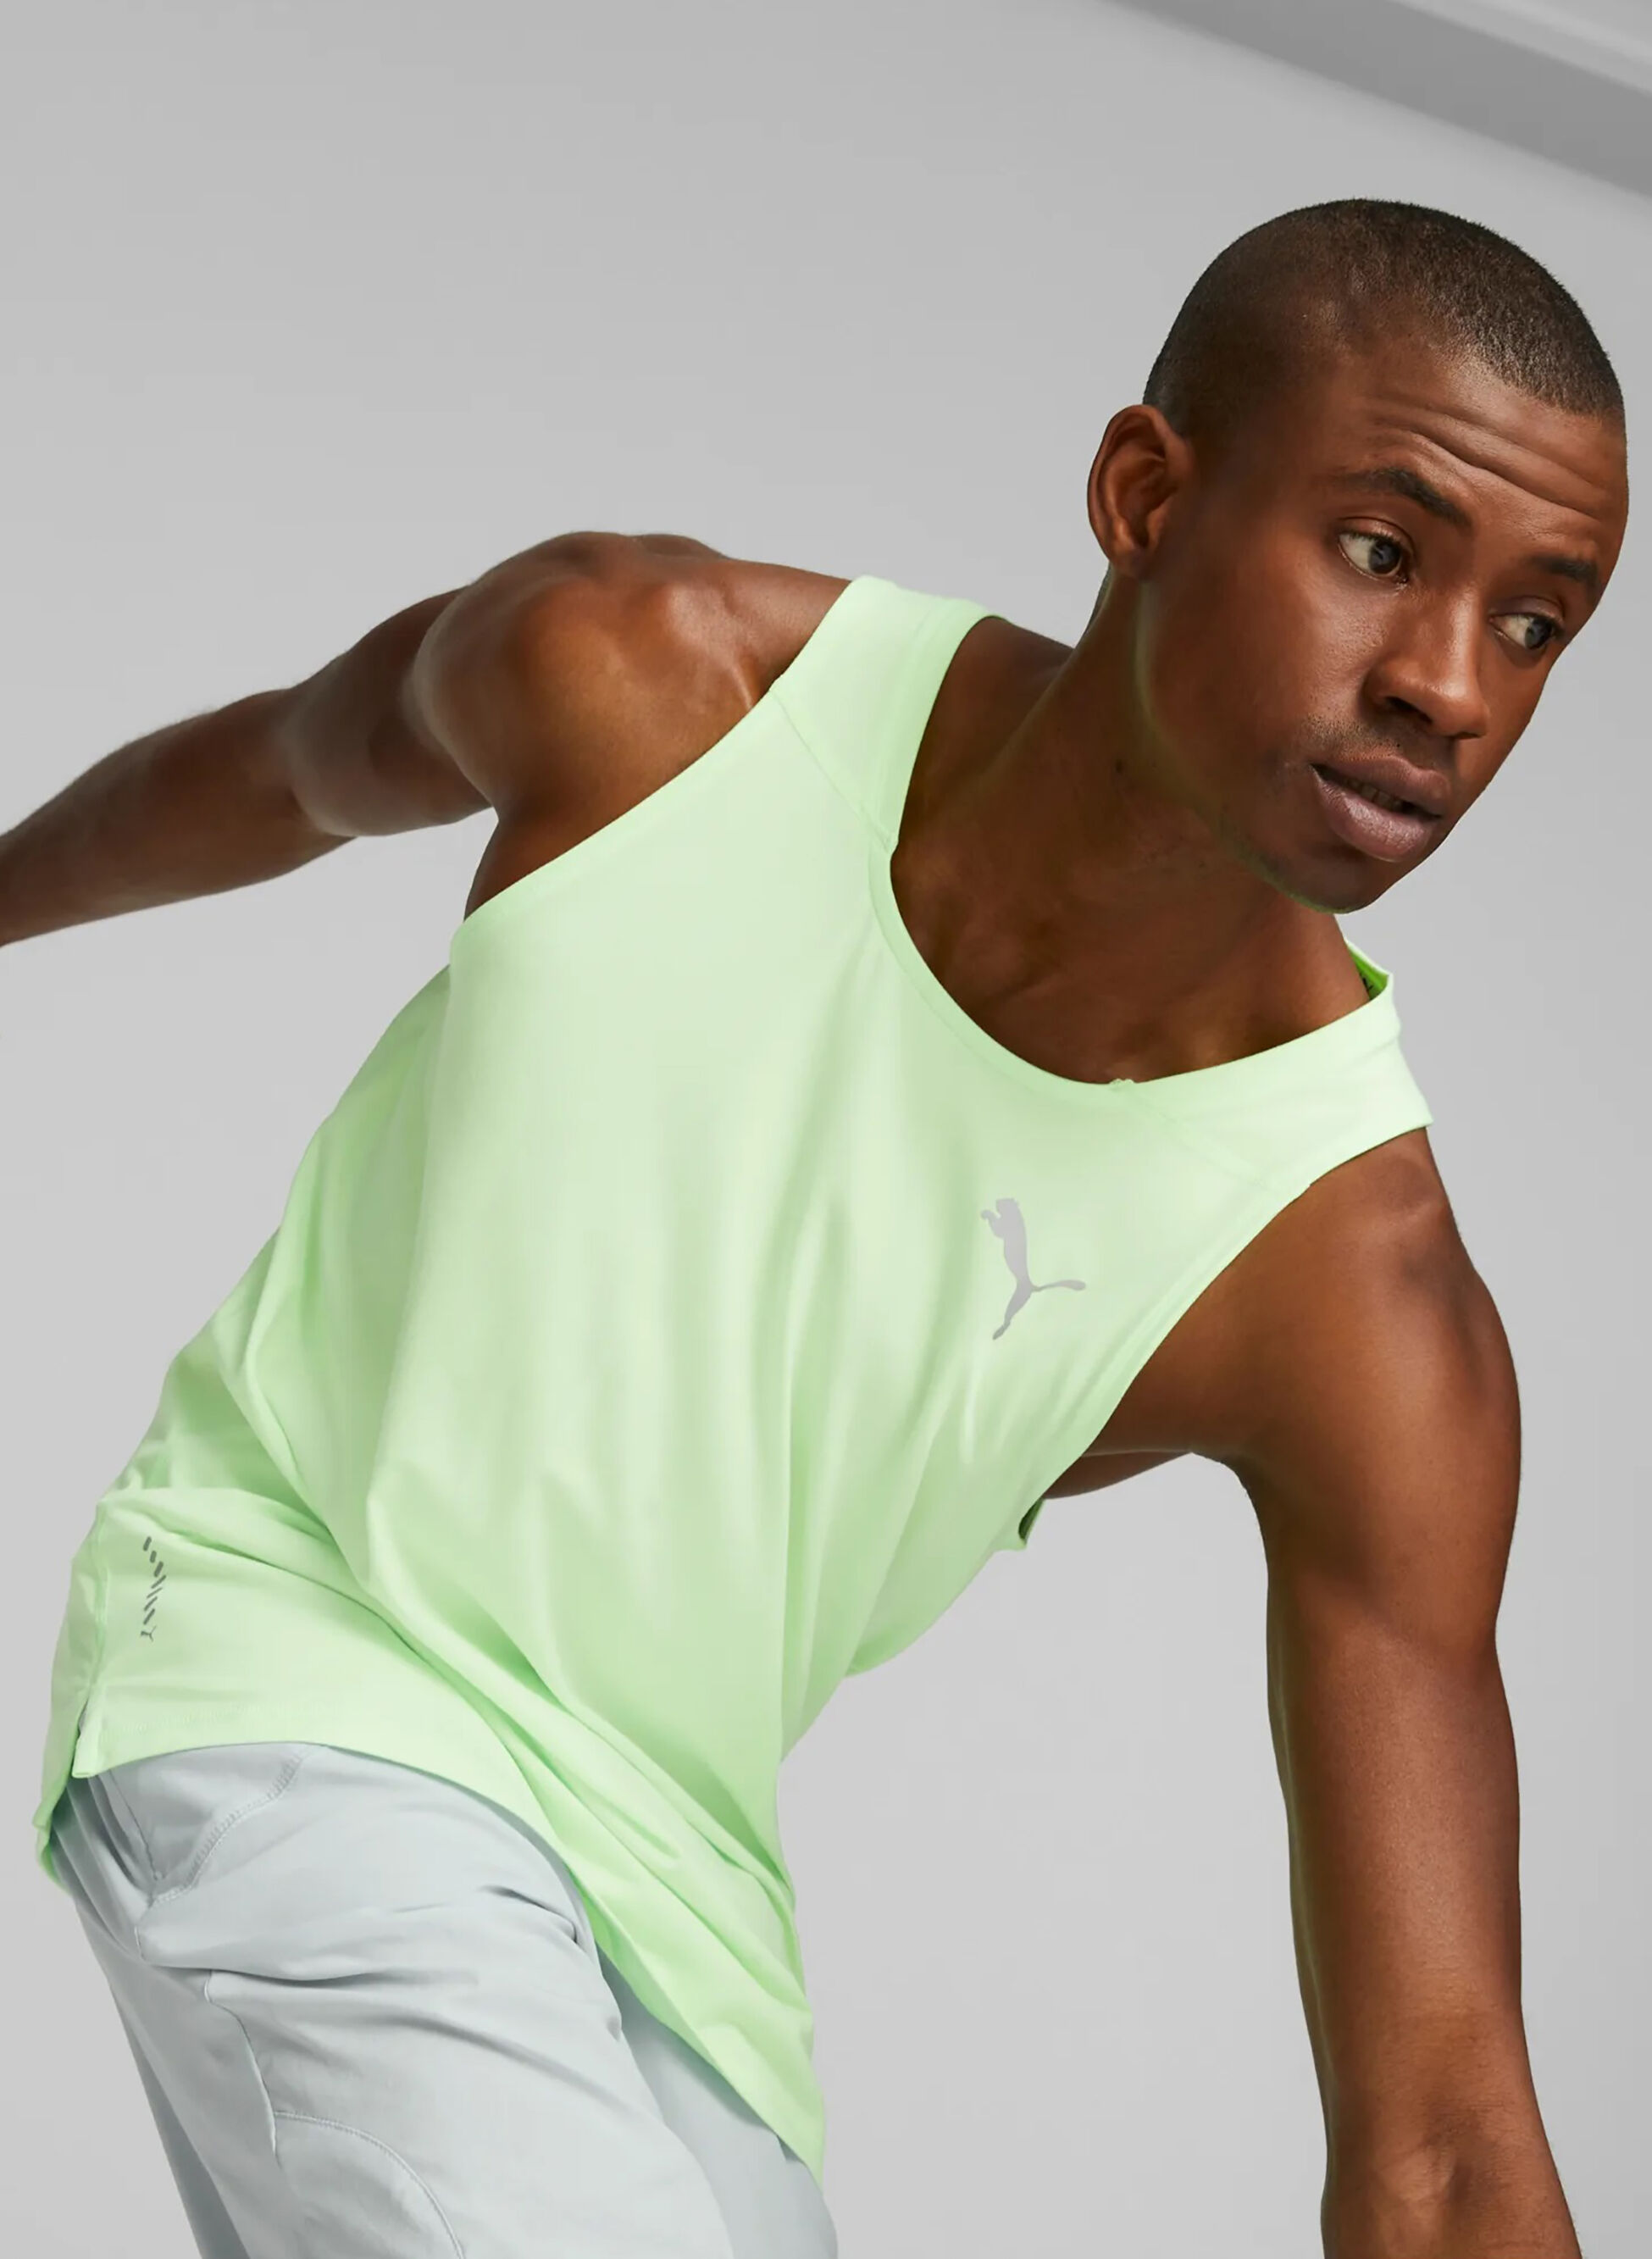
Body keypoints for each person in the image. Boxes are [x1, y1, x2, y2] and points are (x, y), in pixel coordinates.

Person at [6, 197, 1627, 2258]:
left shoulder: (1344, 1282)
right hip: (288, 1659)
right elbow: (279, 771)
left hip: (677, 1911)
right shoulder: (646, 682)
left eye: (1538, 623)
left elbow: (1443, 2142)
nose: (1449, 689)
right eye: (1383, 551)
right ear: (1146, 496)